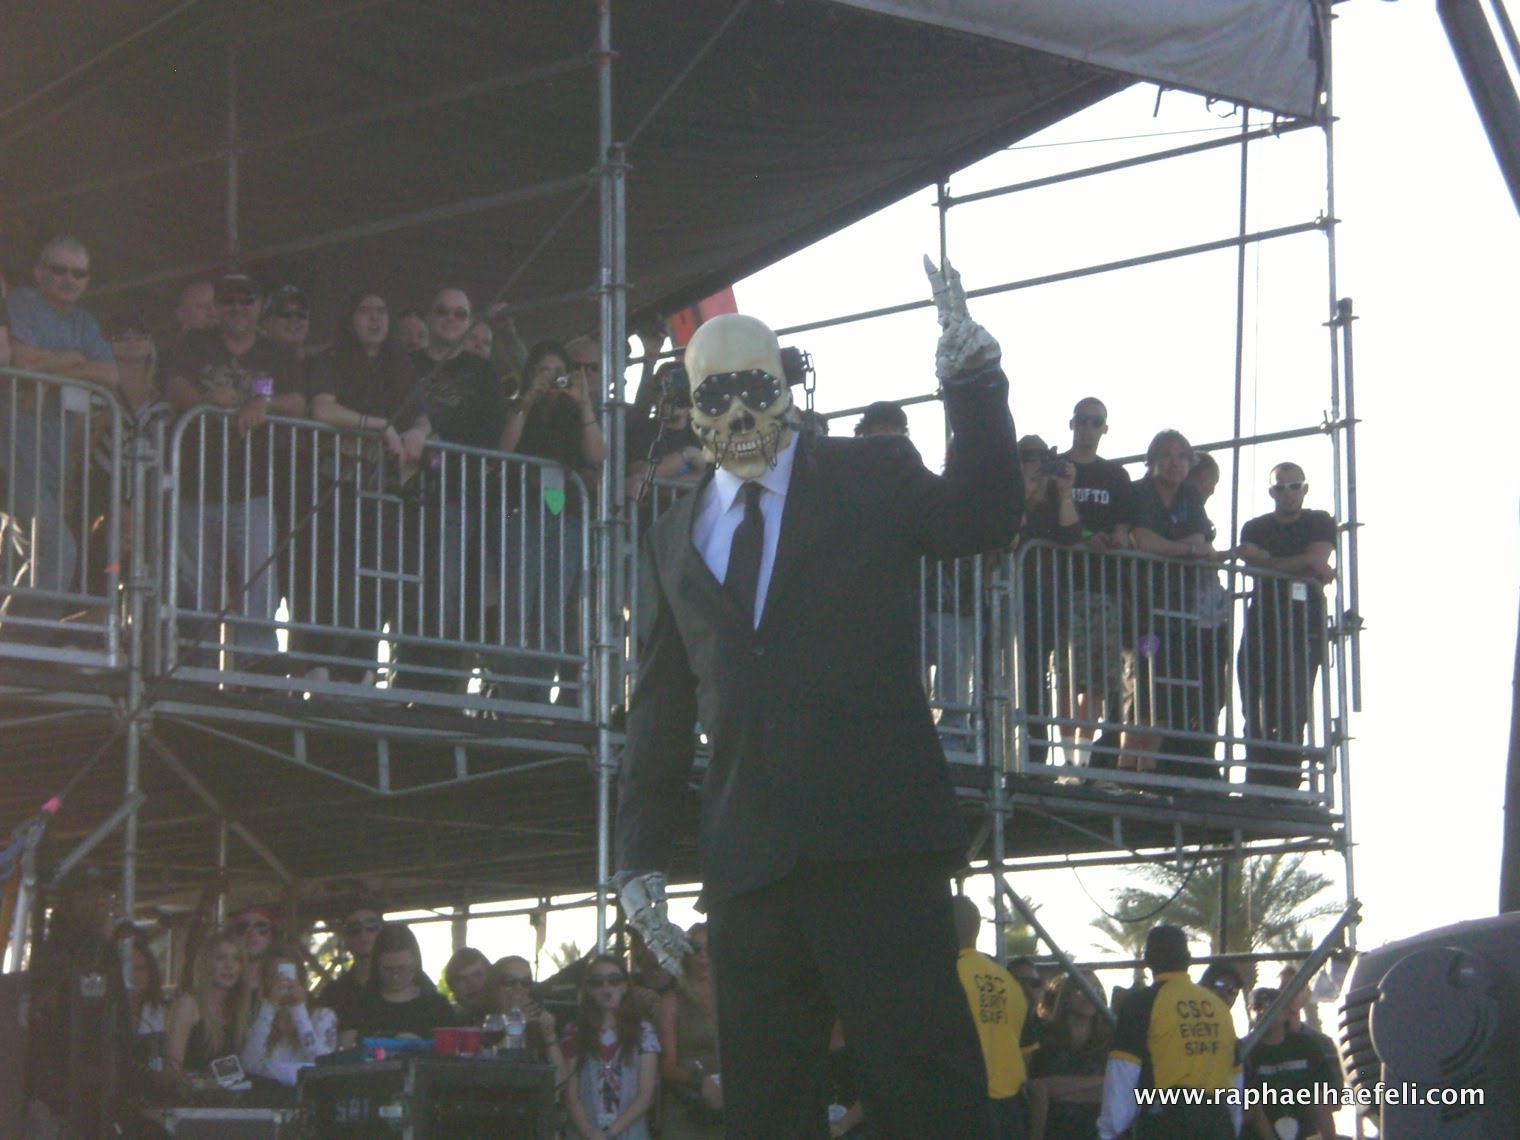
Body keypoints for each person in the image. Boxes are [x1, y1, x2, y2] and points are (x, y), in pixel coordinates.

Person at [616, 260, 1021, 1139]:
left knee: (929, 1096)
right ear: (687, 407)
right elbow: (660, 707)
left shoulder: (870, 472)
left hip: (877, 845)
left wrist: (975, 388)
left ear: (789, 389)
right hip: (749, 869)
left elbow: (982, 517)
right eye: (715, 397)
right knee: (765, 1110)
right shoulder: (672, 537)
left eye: (755, 390)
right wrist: (637, 853)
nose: (738, 414)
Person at [161, 270, 305, 673]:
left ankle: (256, 664)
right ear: (218, 307)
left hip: (252, 488)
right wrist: (208, 401)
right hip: (195, 486)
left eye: (246, 300)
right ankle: (196, 666)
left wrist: (261, 403)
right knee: (197, 585)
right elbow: (174, 386)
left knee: (258, 581)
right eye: (228, 300)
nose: (237, 308)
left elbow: (299, 402)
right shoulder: (194, 344)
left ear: (260, 306)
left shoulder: (277, 352)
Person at [389, 285, 506, 693]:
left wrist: (436, 435)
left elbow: (490, 430)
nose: (451, 320)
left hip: (458, 493)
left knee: (447, 588)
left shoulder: (482, 372)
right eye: (443, 311)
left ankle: (441, 685)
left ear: (470, 321)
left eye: (460, 314)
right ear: (429, 316)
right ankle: (407, 678)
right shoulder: (408, 364)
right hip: (405, 492)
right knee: (406, 587)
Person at [2, 235, 118, 638]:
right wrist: (72, 359)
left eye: (78, 273)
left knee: (31, 554)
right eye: (59, 270)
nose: (69, 280)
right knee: (57, 547)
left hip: (50, 462)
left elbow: (110, 374)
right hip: (11, 452)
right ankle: (24, 645)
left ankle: (14, 644)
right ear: (39, 273)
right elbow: (22, 360)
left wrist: (52, 368)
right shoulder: (23, 302)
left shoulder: (84, 322)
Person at [306, 291, 423, 680]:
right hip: (339, 481)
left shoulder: (400, 366)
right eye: (365, 311)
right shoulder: (332, 360)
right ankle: (324, 663)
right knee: (336, 576)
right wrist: (380, 427)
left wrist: (418, 434)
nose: (375, 319)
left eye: (381, 311)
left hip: (386, 486)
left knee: (380, 579)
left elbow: (422, 416)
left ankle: (362, 666)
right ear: (350, 319)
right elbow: (323, 408)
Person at [495, 339, 606, 703]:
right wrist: (528, 398)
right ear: (531, 373)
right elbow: (505, 448)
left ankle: (539, 698)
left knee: (552, 613)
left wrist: (583, 401)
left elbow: (598, 455)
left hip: (565, 516)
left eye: (559, 372)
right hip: (523, 513)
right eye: (544, 371)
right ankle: (512, 698)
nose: (552, 379)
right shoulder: (519, 406)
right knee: (517, 610)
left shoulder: (575, 412)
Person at [1123, 429, 1218, 775]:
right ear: (1151, 461)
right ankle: (1126, 766)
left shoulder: (1189, 496)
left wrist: (1179, 547)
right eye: (1167, 455)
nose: (1175, 462)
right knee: (1140, 688)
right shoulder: (1138, 493)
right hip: (1139, 606)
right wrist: (1188, 549)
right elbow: (1144, 540)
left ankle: (1148, 768)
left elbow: (1199, 539)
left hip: (1179, 608)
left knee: (1165, 689)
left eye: (1182, 456)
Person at [1237, 463, 1336, 788]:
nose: (1289, 493)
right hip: (1262, 623)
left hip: (1302, 626)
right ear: (1271, 492)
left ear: (1305, 489)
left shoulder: (1319, 521)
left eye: (1295, 486)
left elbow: (1317, 560)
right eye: (1281, 487)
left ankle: (1286, 784)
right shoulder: (1255, 527)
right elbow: (1255, 566)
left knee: (1293, 707)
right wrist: (1301, 563)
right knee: (1255, 705)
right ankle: (1257, 783)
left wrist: (1270, 563)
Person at [1097, 924, 1240, 1140]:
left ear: (1148, 960)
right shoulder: (1218, 1007)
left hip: (1167, 1121)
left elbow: (1123, 1075)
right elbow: (1236, 1081)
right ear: (1188, 959)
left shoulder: (1141, 1004)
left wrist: (1108, 1133)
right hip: (1218, 1121)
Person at [1056, 398, 1134, 770]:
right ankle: (1068, 760)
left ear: (1105, 427)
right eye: (1082, 420)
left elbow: (1124, 525)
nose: (1088, 427)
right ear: (1072, 423)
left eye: (1095, 421)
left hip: (1104, 587)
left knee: (1098, 681)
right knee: (1067, 678)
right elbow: (1053, 520)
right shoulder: (1057, 468)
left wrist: (1116, 538)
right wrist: (1088, 536)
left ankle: (1081, 764)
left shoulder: (1115, 476)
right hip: (1064, 584)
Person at [23, 871, 131, 1137]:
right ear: (74, 898)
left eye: (105, 895)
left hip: (100, 1091)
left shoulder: (106, 951)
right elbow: (68, 993)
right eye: (95, 895)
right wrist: (100, 939)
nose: (102, 903)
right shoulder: (53, 951)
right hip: (60, 1093)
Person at [1016, 436, 1084, 768]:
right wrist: (1021, 495)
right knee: (999, 673)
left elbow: (1073, 536)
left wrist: (1066, 492)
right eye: (1029, 458)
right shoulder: (1008, 495)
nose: (1037, 464)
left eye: (1043, 458)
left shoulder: (1056, 498)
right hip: (1008, 594)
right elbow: (1012, 535)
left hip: (1044, 597)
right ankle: (1000, 749)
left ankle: (1036, 755)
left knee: (1036, 674)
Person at [952, 896, 1035, 1138]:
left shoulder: (945, 977)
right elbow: (1026, 1051)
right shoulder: (1008, 981)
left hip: (963, 1105)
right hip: (1009, 1106)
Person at [561, 954, 661, 1140]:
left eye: (614, 980)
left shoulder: (644, 1031)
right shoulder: (574, 1032)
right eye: (597, 982)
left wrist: (609, 1133)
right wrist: (591, 1134)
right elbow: (571, 1096)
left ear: (625, 986)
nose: (606, 988)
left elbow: (646, 1095)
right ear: (588, 989)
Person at [1242, 987, 1338, 1140]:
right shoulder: (1244, 1052)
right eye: (1257, 1007)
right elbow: (1252, 1109)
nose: (1263, 1012)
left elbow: (1320, 1101)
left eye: (1270, 1006)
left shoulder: (1306, 1046)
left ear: (1286, 1011)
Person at [656, 923, 723, 1139]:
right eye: (695, 948)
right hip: (686, 1107)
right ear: (685, 953)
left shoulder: (732, 997)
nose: (703, 954)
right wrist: (700, 1082)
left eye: (710, 947)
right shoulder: (672, 1000)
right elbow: (665, 1065)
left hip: (728, 1108)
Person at [1026, 972, 1111, 1140]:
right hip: (1053, 1129)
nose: (1090, 995)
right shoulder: (1044, 1036)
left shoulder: (1109, 1039)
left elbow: (1115, 1090)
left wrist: (1055, 1087)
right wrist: (1098, 1082)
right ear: (1066, 996)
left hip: (1098, 1129)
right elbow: (1036, 1088)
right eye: (1081, 989)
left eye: (1097, 990)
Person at [241, 944, 339, 1087]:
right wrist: (269, 1007)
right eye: (275, 976)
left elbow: (324, 1063)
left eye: (288, 974)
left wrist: (298, 1010)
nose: (283, 982)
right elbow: (249, 1065)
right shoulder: (258, 1020)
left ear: (300, 978)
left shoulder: (323, 1016)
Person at [164, 928, 251, 1086]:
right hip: (192, 1095)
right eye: (221, 958)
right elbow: (172, 1068)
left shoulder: (239, 1007)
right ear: (206, 964)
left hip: (231, 1094)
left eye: (236, 959)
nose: (229, 965)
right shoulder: (188, 1004)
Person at [343, 922, 454, 1041]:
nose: (395, 976)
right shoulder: (360, 1007)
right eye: (387, 969)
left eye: (402, 968)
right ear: (376, 966)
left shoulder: (438, 1007)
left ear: (415, 964)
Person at [315, 901, 384, 1030]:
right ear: (345, 937)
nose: (364, 935)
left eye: (372, 927)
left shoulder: (408, 983)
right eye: (354, 929)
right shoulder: (332, 994)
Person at [444, 946, 493, 1023]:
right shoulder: (448, 1022)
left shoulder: (509, 1016)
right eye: (461, 979)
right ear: (453, 989)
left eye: (477, 975)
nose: (471, 984)